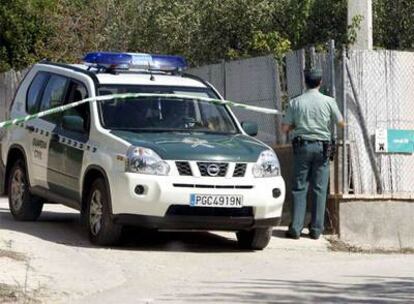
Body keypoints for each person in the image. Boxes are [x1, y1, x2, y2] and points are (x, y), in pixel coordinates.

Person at [281, 69, 345, 240]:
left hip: (302, 147)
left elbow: (285, 128)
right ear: (320, 82)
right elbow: (341, 123)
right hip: (322, 148)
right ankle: (316, 229)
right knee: (319, 188)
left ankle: (295, 228)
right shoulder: (329, 101)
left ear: (305, 82)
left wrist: (298, 125)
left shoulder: (296, 102)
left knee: (299, 187)